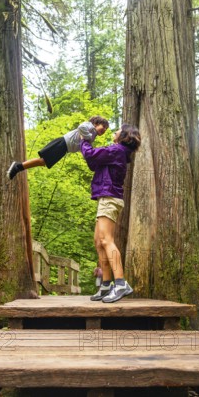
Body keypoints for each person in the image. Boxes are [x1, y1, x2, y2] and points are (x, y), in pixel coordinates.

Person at [80, 123, 141, 303]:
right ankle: (106, 284)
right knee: (99, 242)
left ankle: (120, 283)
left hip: (110, 198)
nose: (114, 131)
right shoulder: (116, 152)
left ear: (124, 136)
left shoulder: (116, 150)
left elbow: (90, 154)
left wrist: (85, 140)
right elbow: (93, 162)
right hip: (105, 198)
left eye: (118, 129)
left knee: (106, 240)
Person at [7, 115, 109, 180]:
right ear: (96, 124)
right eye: (103, 126)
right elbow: (81, 127)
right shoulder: (90, 127)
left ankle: (18, 167)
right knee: (42, 161)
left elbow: (83, 146)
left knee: (43, 162)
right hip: (63, 143)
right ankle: (18, 167)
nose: (104, 130)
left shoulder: (93, 135)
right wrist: (88, 137)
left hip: (65, 148)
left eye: (106, 129)